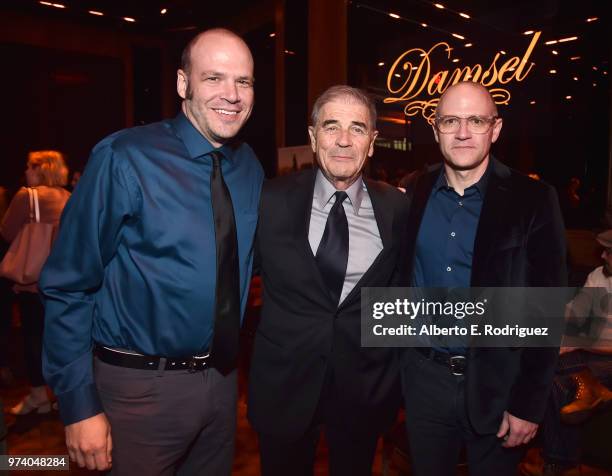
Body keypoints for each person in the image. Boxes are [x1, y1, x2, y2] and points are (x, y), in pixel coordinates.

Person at [40, 28, 263, 475]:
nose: (232, 95)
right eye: (214, 78)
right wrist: (78, 404)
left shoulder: (248, 167)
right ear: (183, 84)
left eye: (244, 81)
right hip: (137, 391)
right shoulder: (125, 157)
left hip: (222, 389)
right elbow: (68, 284)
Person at [399, 81, 567, 476]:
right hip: (424, 381)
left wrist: (528, 403)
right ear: (435, 128)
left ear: (496, 128)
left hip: (500, 388)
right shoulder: (412, 192)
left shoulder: (534, 199)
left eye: (476, 120)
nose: (462, 132)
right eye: (450, 120)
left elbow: (547, 312)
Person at [248, 85, 410, 476]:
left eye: (357, 128)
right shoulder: (268, 200)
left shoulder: (398, 207)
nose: (342, 140)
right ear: (312, 136)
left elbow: (402, 290)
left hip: (363, 390)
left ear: (372, 142)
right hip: (284, 387)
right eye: (331, 125)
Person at [523, 229, 612, 476]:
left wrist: (581, 344)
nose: (603, 255)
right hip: (590, 351)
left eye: (610, 251)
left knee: (559, 373)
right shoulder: (599, 276)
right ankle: (564, 465)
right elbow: (576, 313)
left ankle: (558, 464)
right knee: (551, 371)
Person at [0, 150, 71, 414]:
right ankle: (62, 396)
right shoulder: (68, 197)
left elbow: (7, 232)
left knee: (33, 336)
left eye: (29, 166)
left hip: (33, 279)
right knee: (60, 338)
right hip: (63, 280)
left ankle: (38, 396)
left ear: (41, 169)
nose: (25, 172)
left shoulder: (27, 196)